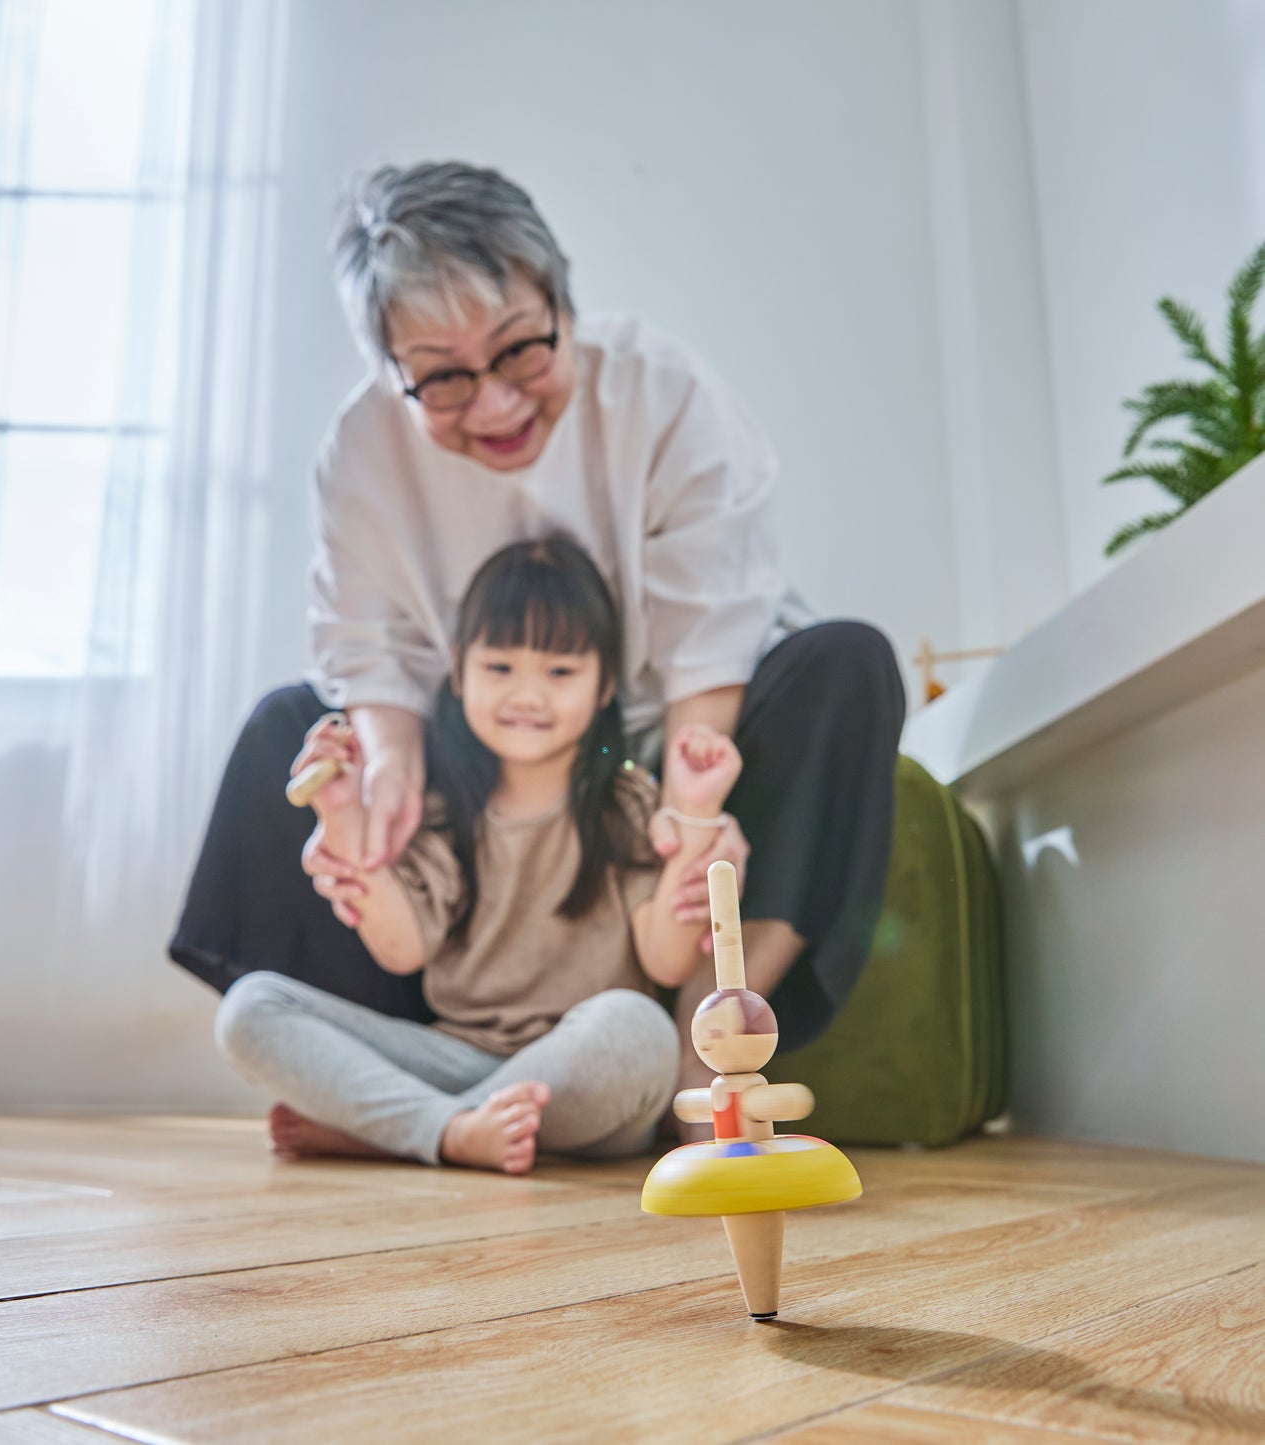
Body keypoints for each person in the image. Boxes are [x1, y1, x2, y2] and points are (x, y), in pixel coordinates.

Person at [171, 159, 905, 1112]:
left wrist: (689, 805)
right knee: (287, 731)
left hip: (643, 737)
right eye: (441, 380)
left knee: (847, 666)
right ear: (389, 369)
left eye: (522, 351)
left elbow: (713, 638)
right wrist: (388, 774)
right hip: (476, 771)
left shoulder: (661, 393)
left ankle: (701, 1047)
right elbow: (369, 646)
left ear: (563, 297)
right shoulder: (360, 452)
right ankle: (425, 1066)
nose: (496, 405)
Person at [213, 536, 743, 1173]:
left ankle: (398, 1128)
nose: (527, 695)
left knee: (638, 1028)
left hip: (584, 1069)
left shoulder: (625, 802)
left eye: (560, 672)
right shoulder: (439, 807)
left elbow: (666, 957)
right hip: (457, 1055)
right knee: (251, 1008)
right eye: (500, 668)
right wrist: (342, 812)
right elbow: (402, 947)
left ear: (605, 686)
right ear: (459, 671)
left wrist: (696, 808)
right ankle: (451, 1129)